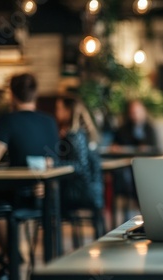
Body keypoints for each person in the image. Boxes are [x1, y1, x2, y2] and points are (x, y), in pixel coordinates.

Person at [0, 73, 60, 278]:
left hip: (17, 197)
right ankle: (8, 257)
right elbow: (54, 160)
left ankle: (9, 256)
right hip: (45, 197)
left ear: (11, 94)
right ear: (35, 94)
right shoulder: (50, 122)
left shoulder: (8, 121)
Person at [55, 97, 104, 238]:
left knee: (48, 198)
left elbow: (79, 165)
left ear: (68, 111)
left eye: (59, 108)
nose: (56, 112)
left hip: (78, 193)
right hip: (93, 191)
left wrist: (52, 163)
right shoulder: (86, 134)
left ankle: (55, 248)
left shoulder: (74, 135)